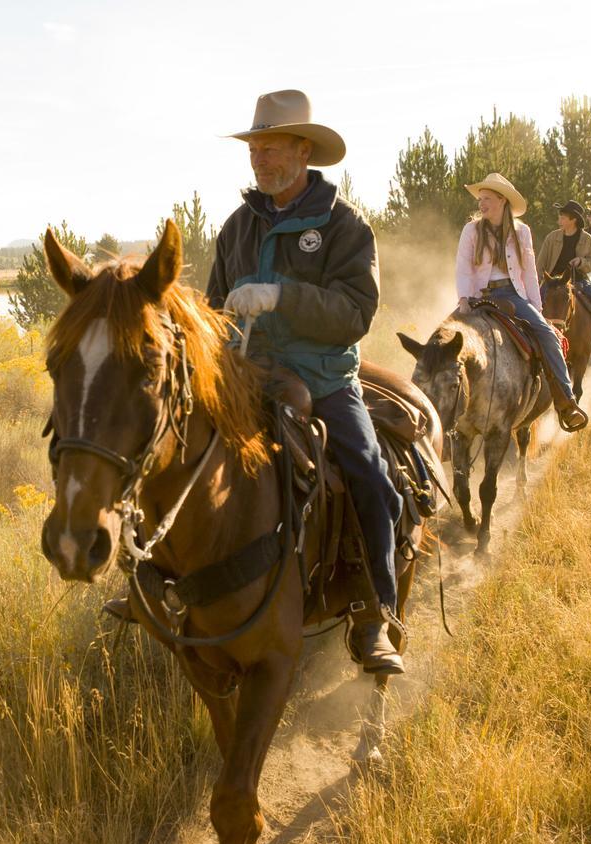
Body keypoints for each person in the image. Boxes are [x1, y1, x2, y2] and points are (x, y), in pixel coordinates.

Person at [209, 89, 405, 674]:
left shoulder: (347, 228)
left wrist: (281, 297)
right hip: (248, 379)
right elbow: (216, 310)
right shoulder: (236, 228)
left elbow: (354, 312)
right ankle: (164, 584)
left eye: (271, 146)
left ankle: (376, 611)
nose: (259, 157)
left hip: (323, 381)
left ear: (303, 149)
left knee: (371, 475)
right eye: (254, 146)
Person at [455, 174, 589, 431]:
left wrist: (537, 309)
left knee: (548, 336)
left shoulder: (522, 231)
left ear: (502, 201)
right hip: (478, 297)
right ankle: (435, 408)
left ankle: (566, 403)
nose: (481, 204)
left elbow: (529, 272)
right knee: (444, 338)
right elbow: (462, 267)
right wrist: (463, 299)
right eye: (480, 199)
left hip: (512, 296)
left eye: (487, 199)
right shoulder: (471, 230)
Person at [538, 199, 591, 360]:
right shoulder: (552, 237)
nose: (559, 219)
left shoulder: (587, 239)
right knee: (533, 304)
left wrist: (581, 262)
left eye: (562, 217)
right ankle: (532, 341)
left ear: (573, 219)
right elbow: (541, 263)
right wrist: (540, 281)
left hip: (578, 280)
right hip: (553, 282)